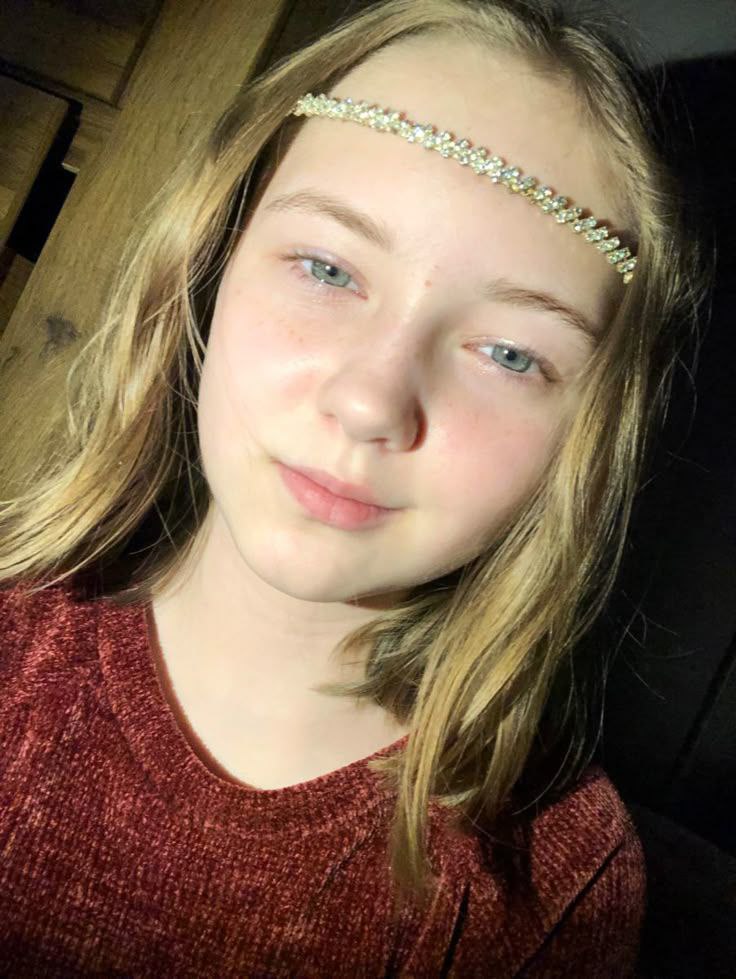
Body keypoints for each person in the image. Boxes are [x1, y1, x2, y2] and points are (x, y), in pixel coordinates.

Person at [0, 0, 705, 975]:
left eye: (509, 352)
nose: (372, 400)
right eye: (327, 269)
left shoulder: (554, 885)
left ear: (588, 439)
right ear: (207, 264)